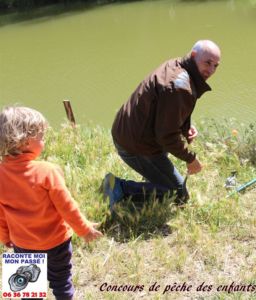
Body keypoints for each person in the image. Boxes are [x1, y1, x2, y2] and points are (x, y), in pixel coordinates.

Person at [0, 106, 102, 300]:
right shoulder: (47, 171)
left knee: (26, 288)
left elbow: (1, 213)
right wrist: (84, 229)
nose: (44, 142)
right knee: (61, 283)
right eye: (41, 137)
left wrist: (5, 237)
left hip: (22, 242)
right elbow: (67, 206)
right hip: (56, 242)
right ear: (25, 141)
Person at [104, 40, 221, 208]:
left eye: (216, 66)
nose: (211, 70)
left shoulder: (177, 64)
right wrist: (190, 158)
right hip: (135, 145)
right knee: (178, 194)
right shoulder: (180, 85)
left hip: (130, 132)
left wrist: (185, 127)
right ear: (194, 56)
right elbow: (166, 136)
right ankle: (118, 187)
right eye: (207, 63)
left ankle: (153, 176)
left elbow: (167, 111)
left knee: (170, 184)